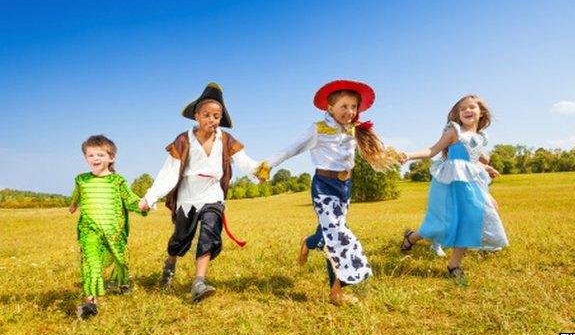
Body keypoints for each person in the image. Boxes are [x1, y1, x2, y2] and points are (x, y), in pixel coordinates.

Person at [265, 80, 401, 305]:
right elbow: (291, 148)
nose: (350, 112)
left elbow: (380, 150)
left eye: (354, 107)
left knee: (330, 233)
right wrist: (268, 164)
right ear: (330, 108)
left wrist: (396, 156)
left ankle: (309, 242)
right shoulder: (318, 129)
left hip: (345, 188)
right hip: (324, 186)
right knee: (337, 237)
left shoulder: (356, 130)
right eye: (344, 106)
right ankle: (336, 292)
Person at [139, 82, 265, 302]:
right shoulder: (183, 140)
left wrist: (258, 171)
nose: (212, 120)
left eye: (216, 116)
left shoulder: (225, 139)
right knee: (180, 238)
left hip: (212, 195)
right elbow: (168, 173)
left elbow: (244, 161)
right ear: (196, 116)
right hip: (187, 198)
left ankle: (199, 281)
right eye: (207, 115)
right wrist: (150, 197)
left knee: (209, 232)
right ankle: (170, 264)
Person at [399, 94, 508, 285]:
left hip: (471, 183)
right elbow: (432, 150)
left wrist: (487, 170)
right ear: (458, 114)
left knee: (471, 220)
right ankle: (412, 237)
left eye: (472, 107)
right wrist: (409, 155)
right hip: (449, 183)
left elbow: (472, 163)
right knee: (442, 223)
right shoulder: (454, 131)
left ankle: (454, 265)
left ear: (481, 112)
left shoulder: (481, 137)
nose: (467, 110)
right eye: (462, 108)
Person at [69, 135, 147, 319]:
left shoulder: (117, 181)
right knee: (91, 264)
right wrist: (73, 205)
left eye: (100, 154)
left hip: (113, 232)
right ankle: (90, 303)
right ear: (85, 158)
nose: (95, 158)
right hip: (90, 231)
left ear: (111, 157)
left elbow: (129, 199)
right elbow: (76, 195)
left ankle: (122, 282)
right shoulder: (81, 179)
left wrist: (142, 205)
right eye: (91, 155)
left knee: (121, 261)